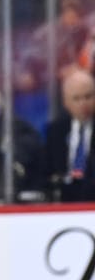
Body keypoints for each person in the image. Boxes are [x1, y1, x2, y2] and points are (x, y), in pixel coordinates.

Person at [44, 69, 95, 202]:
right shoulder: (55, 131)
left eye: (88, 96)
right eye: (76, 98)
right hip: (63, 202)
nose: (83, 104)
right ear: (66, 102)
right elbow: (47, 171)